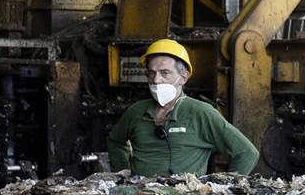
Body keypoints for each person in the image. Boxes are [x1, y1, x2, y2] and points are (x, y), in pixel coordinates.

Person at [104, 39, 260, 178]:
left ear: (183, 78)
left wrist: (227, 188)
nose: (156, 80)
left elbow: (247, 153)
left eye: (165, 73)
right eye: (151, 73)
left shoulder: (201, 113)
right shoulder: (137, 111)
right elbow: (115, 141)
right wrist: (122, 171)